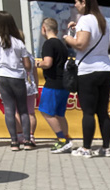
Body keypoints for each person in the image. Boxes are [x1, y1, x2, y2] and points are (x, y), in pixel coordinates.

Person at [64, 0, 110, 158]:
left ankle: (86, 148)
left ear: (84, 3)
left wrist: (66, 37)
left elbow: (81, 44)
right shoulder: (102, 20)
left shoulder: (85, 19)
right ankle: (106, 148)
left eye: (77, 2)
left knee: (88, 112)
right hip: (105, 67)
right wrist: (75, 30)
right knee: (103, 111)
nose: (75, 5)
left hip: (88, 69)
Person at [0, 11, 34, 151]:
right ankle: (27, 140)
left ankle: (14, 142)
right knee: (23, 109)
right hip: (17, 77)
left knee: (9, 109)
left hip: (1, 76)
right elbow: (28, 66)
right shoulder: (18, 42)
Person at [37, 17, 72, 153]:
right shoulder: (61, 44)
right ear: (56, 30)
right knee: (59, 114)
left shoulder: (48, 44)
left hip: (52, 83)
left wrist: (37, 63)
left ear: (44, 29)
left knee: (46, 112)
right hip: (64, 83)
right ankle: (66, 139)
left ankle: (62, 140)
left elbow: (47, 63)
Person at [15, 48, 38, 146]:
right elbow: (35, 74)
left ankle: (20, 135)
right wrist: (36, 87)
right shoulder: (31, 56)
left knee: (17, 112)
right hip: (30, 86)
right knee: (30, 112)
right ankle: (31, 136)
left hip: (17, 85)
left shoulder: (13, 55)